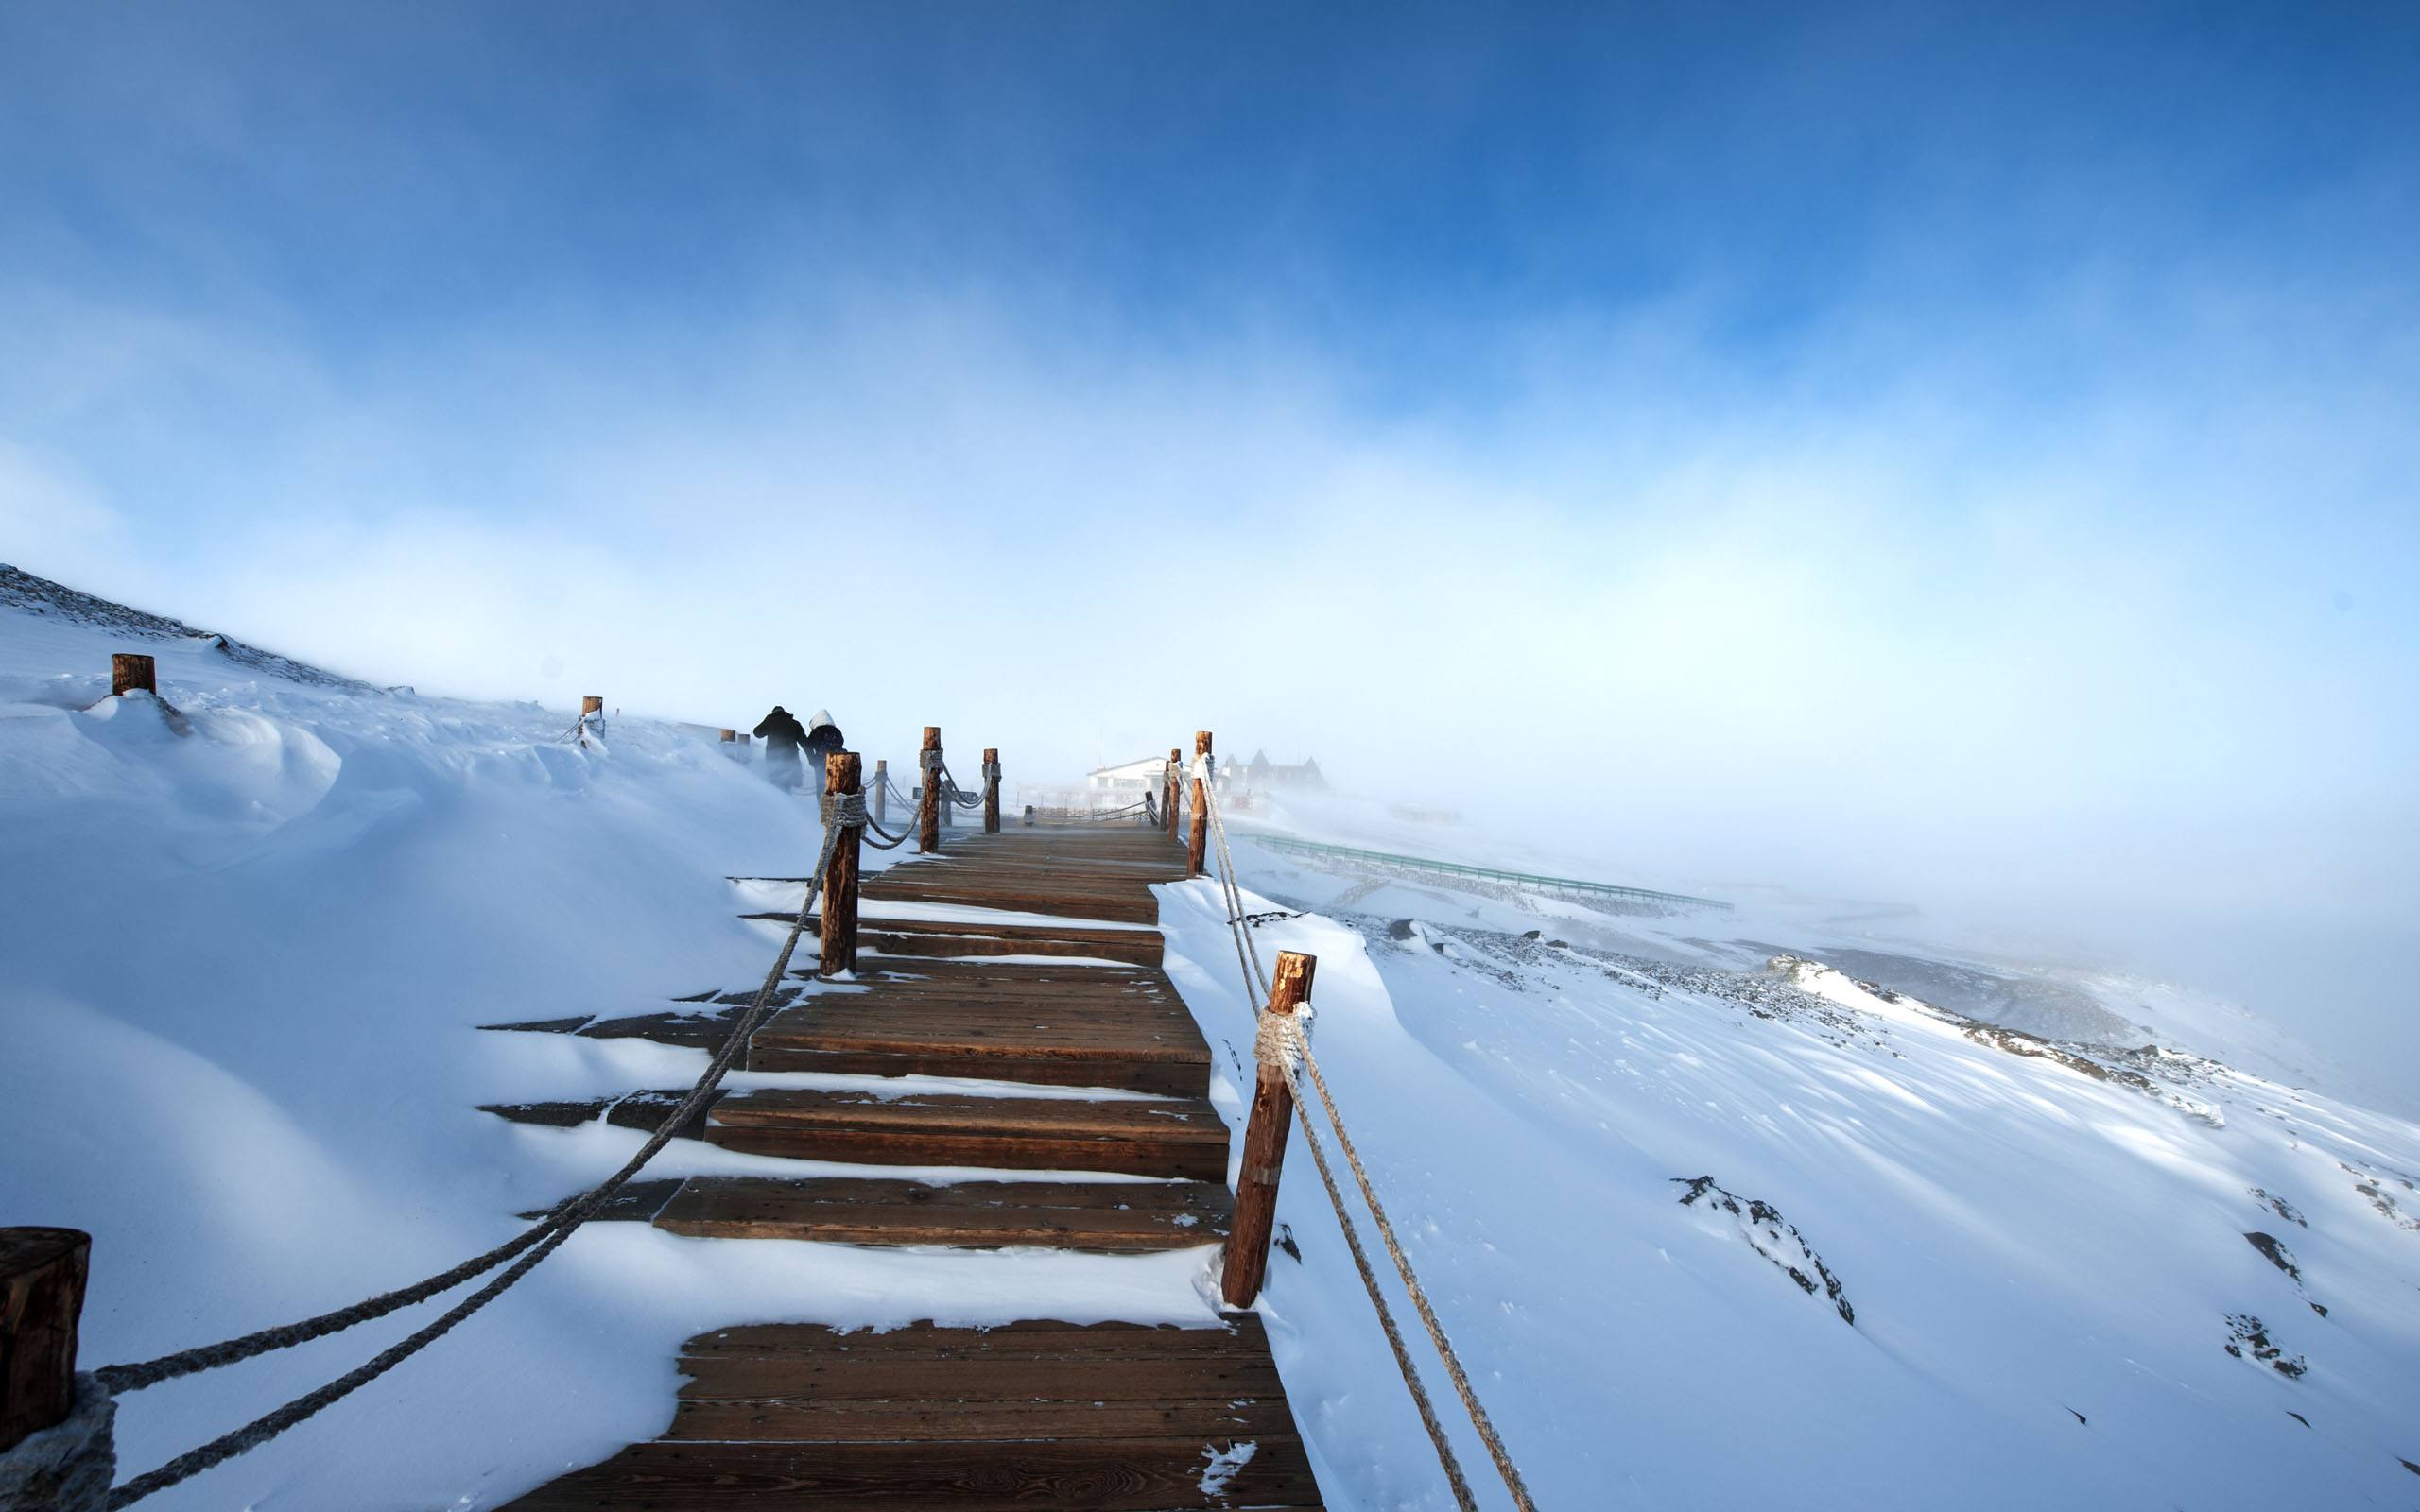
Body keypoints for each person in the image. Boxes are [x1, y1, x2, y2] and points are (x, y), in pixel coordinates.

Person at [753, 705, 808, 791]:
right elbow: (805, 743)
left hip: (774, 758)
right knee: (788, 785)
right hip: (791, 758)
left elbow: (757, 733)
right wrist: (812, 757)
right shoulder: (795, 723)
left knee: (775, 785)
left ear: (773, 713)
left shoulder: (770, 721)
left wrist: (767, 719)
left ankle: (776, 802)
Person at [802, 708, 845, 791]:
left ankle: (821, 803)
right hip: (837, 762)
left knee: (821, 786)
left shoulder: (817, 731)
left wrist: (812, 759)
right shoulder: (836, 731)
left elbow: (808, 745)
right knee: (836, 785)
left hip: (821, 762)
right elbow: (841, 742)